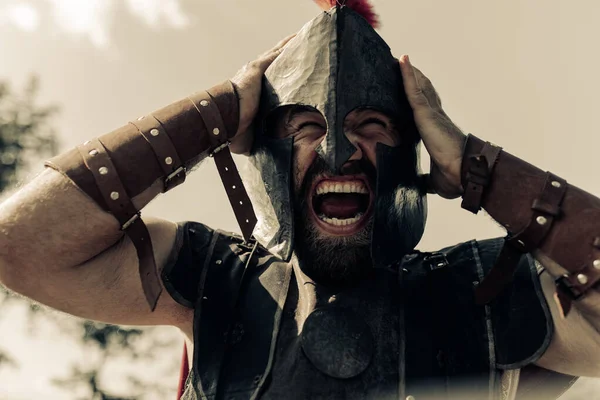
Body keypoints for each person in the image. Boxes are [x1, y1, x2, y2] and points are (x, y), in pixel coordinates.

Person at [1, 2, 599, 399]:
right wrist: (218, 114)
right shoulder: (216, 283)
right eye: (304, 127)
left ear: (412, 155)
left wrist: (476, 166)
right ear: (269, 154)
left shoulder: (486, 291)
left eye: (373, 125)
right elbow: (19, 246)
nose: (340, 150)